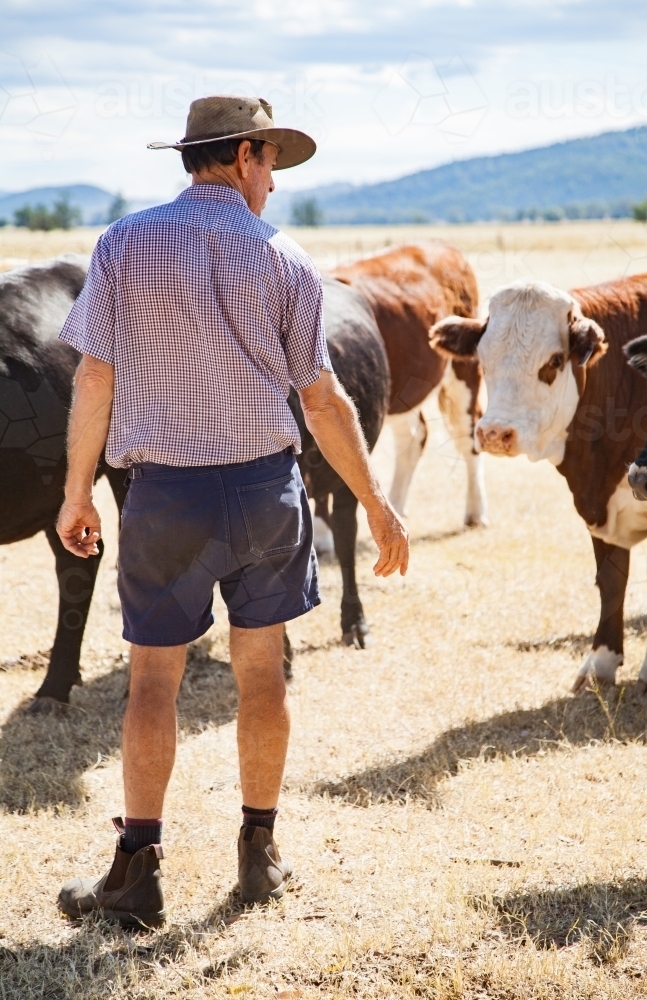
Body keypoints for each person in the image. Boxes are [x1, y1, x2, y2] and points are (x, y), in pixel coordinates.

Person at [55, 95, 409, 928]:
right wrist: (377, 502)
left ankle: (136, 875)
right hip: (263, 492)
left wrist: (77, 491)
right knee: (262, 672)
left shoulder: (123, 244)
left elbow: (94, 379)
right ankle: (260, 856)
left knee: (152, 681)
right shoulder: (284, 257)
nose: (275, 182)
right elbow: (320, 401)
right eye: (272, 162)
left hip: (165, 495)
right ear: (244, 154)